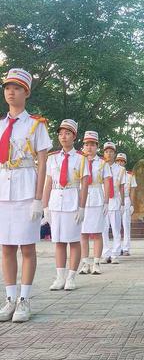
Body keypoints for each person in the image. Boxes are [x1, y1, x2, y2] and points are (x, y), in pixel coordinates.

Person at [0, 68, 51, 322]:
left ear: (26, 92)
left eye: (17, 87)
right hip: (3, 191)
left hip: (25, 189)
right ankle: (9, 298)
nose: (11, 91)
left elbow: (42, 164)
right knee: (6, 247)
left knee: (27, 247)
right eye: (8, 87)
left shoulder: (36, 125)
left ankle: (25, 299)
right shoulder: (0, 125)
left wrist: (39, 198)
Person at [43, 119, 89, 291]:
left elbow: (84, 184)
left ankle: (71, 277)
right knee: (59, 241)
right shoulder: (52, 158)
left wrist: (82, 207)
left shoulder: (81, 159)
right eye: (61, 133)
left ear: (74, 136)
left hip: (72, 199)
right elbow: (48, 182)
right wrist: (45, 206)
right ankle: (60, 277)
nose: (63, 136)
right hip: (56, 200)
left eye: (67, 133)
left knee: (73, 240)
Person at [78, 131, 111, 275]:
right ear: (83, 146)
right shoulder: (79, 160)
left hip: (97, 197)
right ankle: (85, 263)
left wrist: (106, 201)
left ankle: (96, 263)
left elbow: (107, 181)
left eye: (92, 144)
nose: (89, 147)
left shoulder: (103, 163)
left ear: (96, 146)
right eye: (86, 144)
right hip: (82, 198)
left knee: (97, 233)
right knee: (83, 233)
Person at [101, 142, 125, 265]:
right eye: (106, 151)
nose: (108, 154)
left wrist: (123, 204)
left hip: (115, 200)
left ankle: (115, 254)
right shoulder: (100, 166)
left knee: (116, 229)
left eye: (111, 152)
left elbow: (121, 187)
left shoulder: (120, 169)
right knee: (103, 229)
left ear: (114, 154)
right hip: (103, 201)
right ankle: (105, 253)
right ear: (103, 153)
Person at [115, 153, 137, 256]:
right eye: (118, 161)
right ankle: (117, 247)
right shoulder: (112, 173)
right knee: (116, 225)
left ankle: (126, 248)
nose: (120, 162)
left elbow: (132, 190)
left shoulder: (130, 175)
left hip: (127, 199)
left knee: (126, 224)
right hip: (116, 199)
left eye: (122, 161)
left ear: (125, 162)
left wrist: (132, 204)